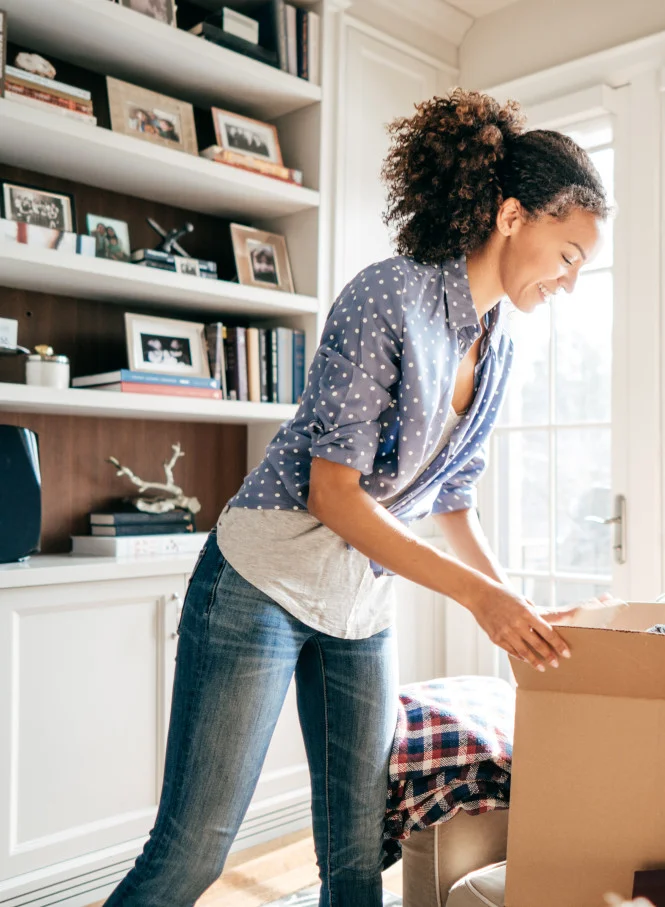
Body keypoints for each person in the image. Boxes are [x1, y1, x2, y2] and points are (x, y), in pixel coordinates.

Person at [103, 88, 609, 906]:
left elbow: (451, 496)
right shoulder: (390, 295)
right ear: (514, 216)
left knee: (355, 858)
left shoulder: (500, 342)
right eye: (570, 253)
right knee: (191, 854)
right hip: (260, 583)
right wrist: (481, 598)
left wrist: (516, 610)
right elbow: (333, 495)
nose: (570, 280)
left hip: (360, 606)